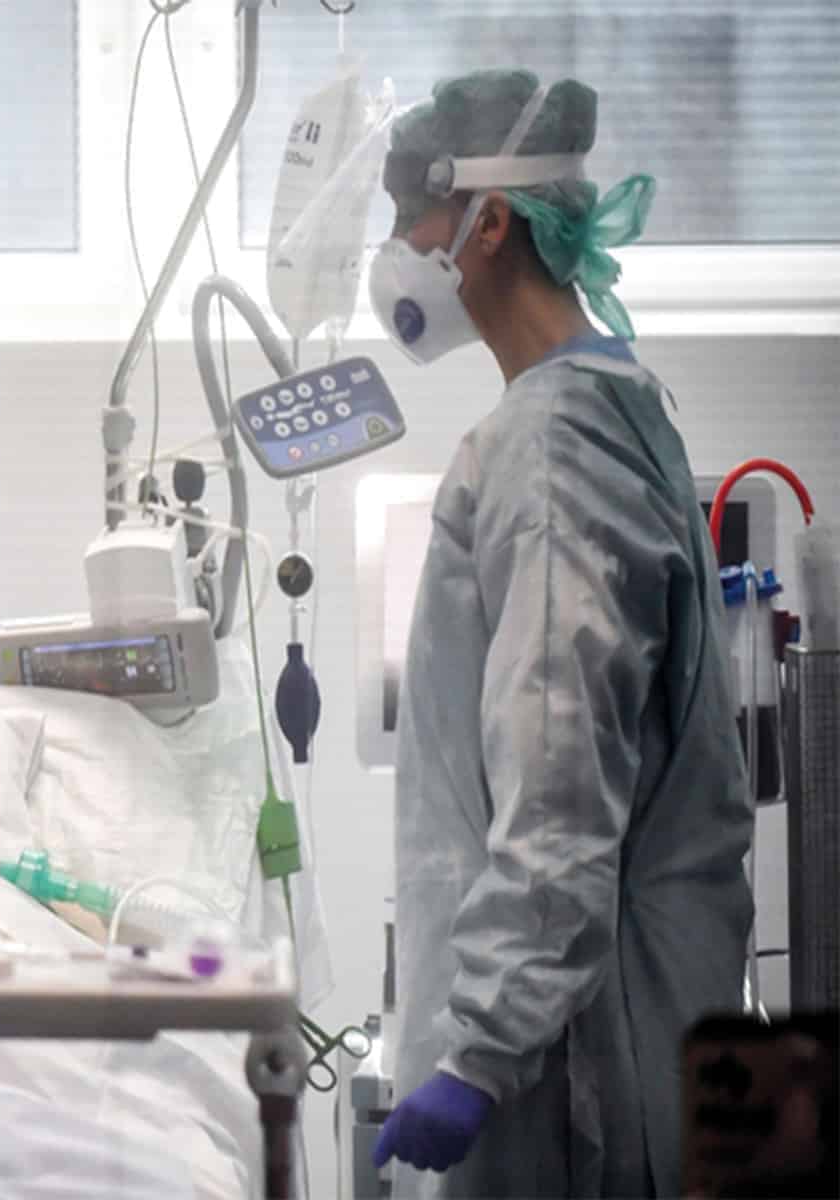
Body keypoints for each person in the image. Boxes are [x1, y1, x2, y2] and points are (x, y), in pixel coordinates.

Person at [366, 70, 752, 1197]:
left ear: (487, 224)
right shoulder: (609, 396)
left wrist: (480, 1055)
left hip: (569, 1070)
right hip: (595, 1027)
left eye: (412, 218)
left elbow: (560, 776)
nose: (396, 251)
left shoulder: (550, 448)